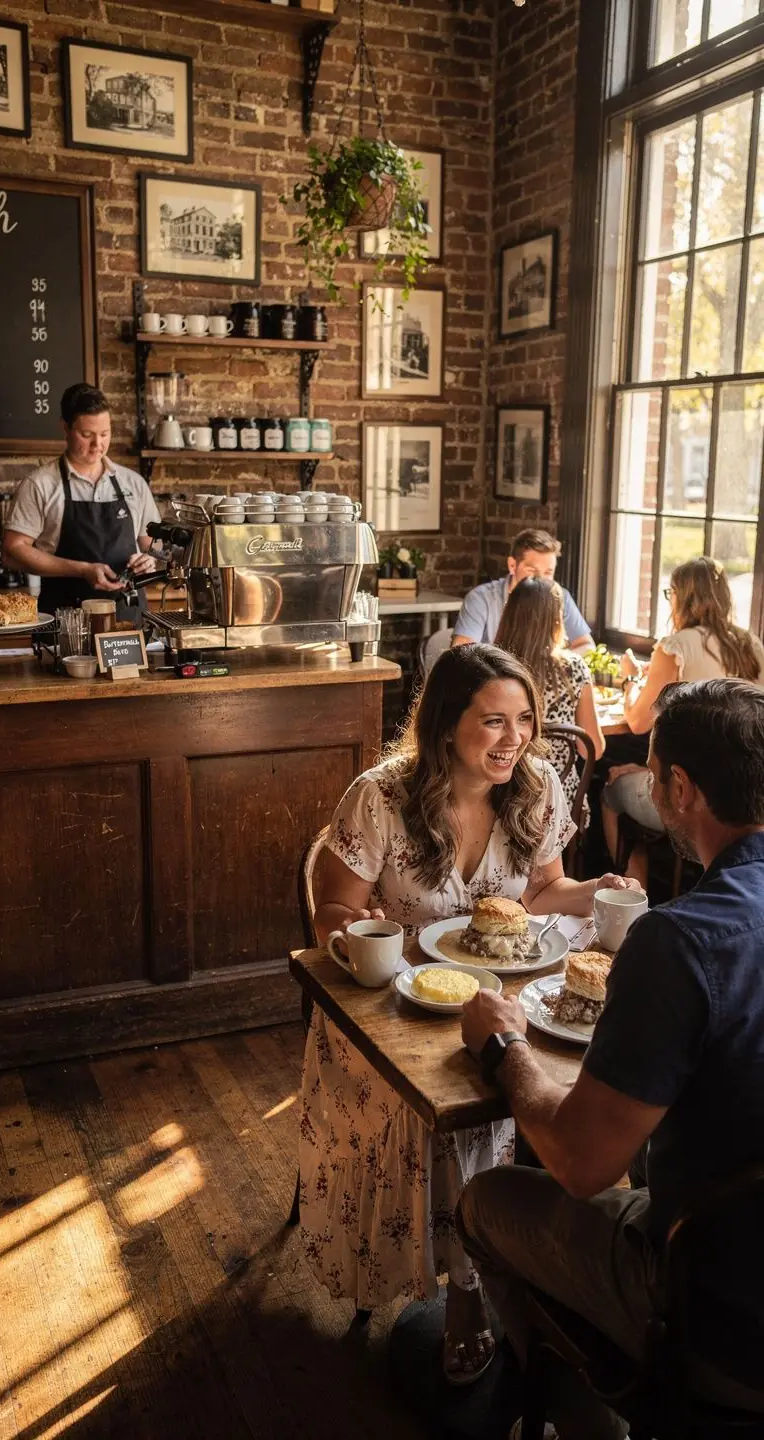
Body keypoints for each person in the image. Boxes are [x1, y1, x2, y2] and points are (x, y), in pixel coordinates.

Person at [299, 644, 634, 1385]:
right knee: (463, 1115)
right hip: (391, 1011)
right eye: (493, 722)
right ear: (447, 726)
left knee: (551, 1084)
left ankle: (514, 1270)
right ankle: (469, 1297)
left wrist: (596, 890)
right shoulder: (380, 797)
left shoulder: (537, 784)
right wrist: (361, 939)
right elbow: (332, 913)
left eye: (524, 720)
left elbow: (540, 895)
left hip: (499, 1000)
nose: (514, 739)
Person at [457, 678, 764, 1438]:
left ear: (678, 789)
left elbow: (580, 1162)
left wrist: (504, 1044)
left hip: (719, 1311)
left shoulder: (680, 941)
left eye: (651, 772)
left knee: (487, 1202)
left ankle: (581, 1418)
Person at [602, 557, 764, 877]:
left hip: (687, 793)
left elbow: (637, 721)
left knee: (610, 790)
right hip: (742, 794)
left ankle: (631, 901)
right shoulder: (751, 644)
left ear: (680, 595)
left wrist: (630, 681)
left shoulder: (675, 646)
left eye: (669, 593)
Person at [3, 382, 161, 620]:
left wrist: (149, 560)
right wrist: (82, 570)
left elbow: (153, 544)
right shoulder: (40, 483)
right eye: (87, 435)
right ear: (65, 427)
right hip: (66, 619)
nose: (98, 445)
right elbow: (13, 551)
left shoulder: (133, 483)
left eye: (105, 434)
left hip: (128, 620)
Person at [494, 577, 604, 810]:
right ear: (556, 619)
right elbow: (593, 747)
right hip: (560, 798)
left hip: (504, 792)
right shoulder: (574, 668)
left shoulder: (494, 668)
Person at [452, 528, 594, 653]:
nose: (542, 580)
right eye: (533, 571)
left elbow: (587, 646)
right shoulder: (481, 598)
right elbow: (463, 654)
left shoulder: (561, 597)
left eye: (548, 572)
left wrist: (555, 664)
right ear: (512, 565)